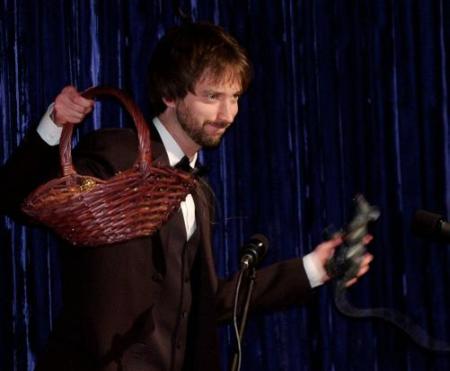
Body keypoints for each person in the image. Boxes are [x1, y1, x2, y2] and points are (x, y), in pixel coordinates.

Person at [0, 22, 373, 371]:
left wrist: (314, 268)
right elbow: (19, 199)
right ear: (169, 94)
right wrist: (53, 124)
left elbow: (206, 302)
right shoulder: (115, 155)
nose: (228, 114)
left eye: (235, 97)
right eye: (212, 96)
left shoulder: (199, 192)